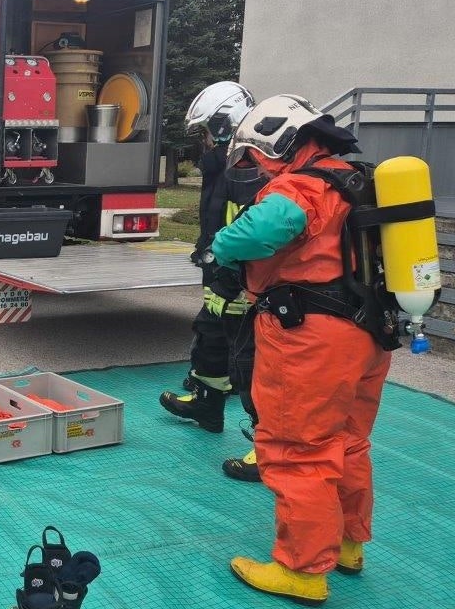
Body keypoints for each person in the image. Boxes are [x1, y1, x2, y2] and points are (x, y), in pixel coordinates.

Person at [207, 95, 389, 605]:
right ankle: (350, 545)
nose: (257, 168)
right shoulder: (356, 179)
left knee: (298, 451)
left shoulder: (302, 185)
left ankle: (303, 571)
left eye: (257, 157)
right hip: (369, 331)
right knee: (349, 442)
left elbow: (267, 227)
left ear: (278, 140)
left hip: (310, 339)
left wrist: (220, 246)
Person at [157, 82, 266, 482]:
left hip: (240, 283)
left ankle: (269, 450)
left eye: (206, 131)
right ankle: (206, 406)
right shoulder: (222, 166)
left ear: (225, 124)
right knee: (209, 338)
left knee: (250, 366)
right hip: (220, 279)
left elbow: (249, 229)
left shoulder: (248, 169)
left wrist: (231, 272)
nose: (202, 141)